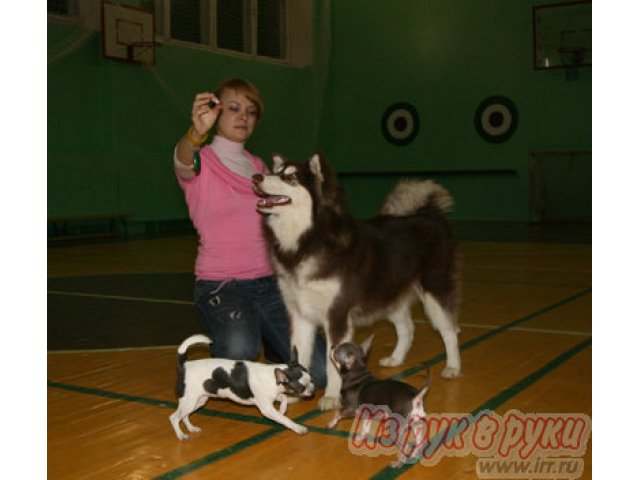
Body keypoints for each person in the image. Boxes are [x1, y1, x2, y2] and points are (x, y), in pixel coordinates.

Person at [173, 78, 326, 388]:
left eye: (251, 111)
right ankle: (236, 344)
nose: (243, 116)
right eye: (233, 108)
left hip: (269, 283)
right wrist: (195, 135)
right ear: (215, 113)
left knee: (319, 373)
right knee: (239, 353)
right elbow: (182, 159)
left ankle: (273, 344)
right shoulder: (202, 160)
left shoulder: (258, 166)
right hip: (222, 285)